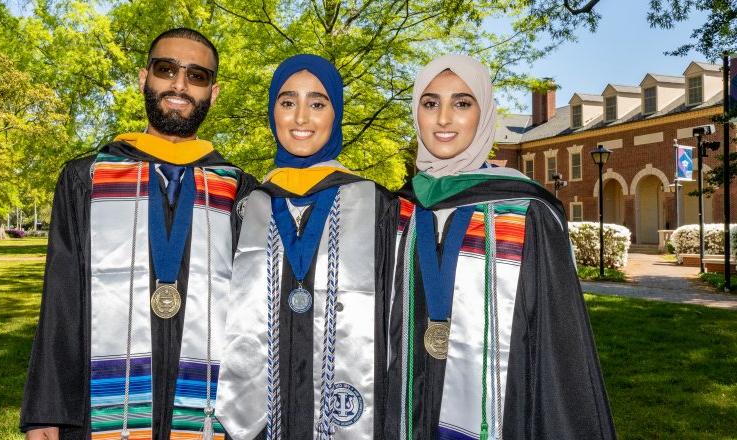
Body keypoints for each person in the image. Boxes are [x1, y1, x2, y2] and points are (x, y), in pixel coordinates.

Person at [20, 28, 257, 440]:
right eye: (167, 70)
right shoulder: (87, 178)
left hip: (209, 410)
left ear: (213, 93)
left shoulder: (239, 189)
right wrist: (46, 409)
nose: (180, 85)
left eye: (197, 76)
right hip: (99, 408)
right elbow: (61, 297)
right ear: (144, 77)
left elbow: (252, 313)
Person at [384, 55, 616, 439]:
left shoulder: (527, 212)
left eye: (462, 103)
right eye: (430, 103)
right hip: (407, 409)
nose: (443, 118)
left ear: (485, 113)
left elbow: (559, 353)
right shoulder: (397, 211)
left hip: (504, 413)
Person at [215, 54, 399, 440]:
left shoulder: (378, 206)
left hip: (350, 413)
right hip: (257, 420)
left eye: (317, 103)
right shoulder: (246, 204)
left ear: (336, 113)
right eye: (287, 103)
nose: (301, 118)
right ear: (272, 112)